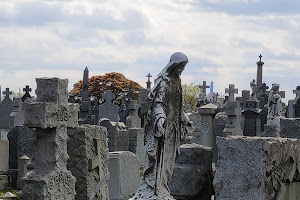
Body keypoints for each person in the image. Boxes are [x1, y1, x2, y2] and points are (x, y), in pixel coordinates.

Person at [130, 52, 193, 200]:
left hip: (173, 129)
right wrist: (160, 118)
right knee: (160, 159)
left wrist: (184, 119)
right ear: (174, 65)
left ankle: (163, 187)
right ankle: (155, 189)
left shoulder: (177, 81)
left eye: (183, 67)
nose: (181, 70)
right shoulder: (164, 81)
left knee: (169, 161)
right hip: (163, 129)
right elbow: (158, 103)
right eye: (180, 66)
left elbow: (178, 106)